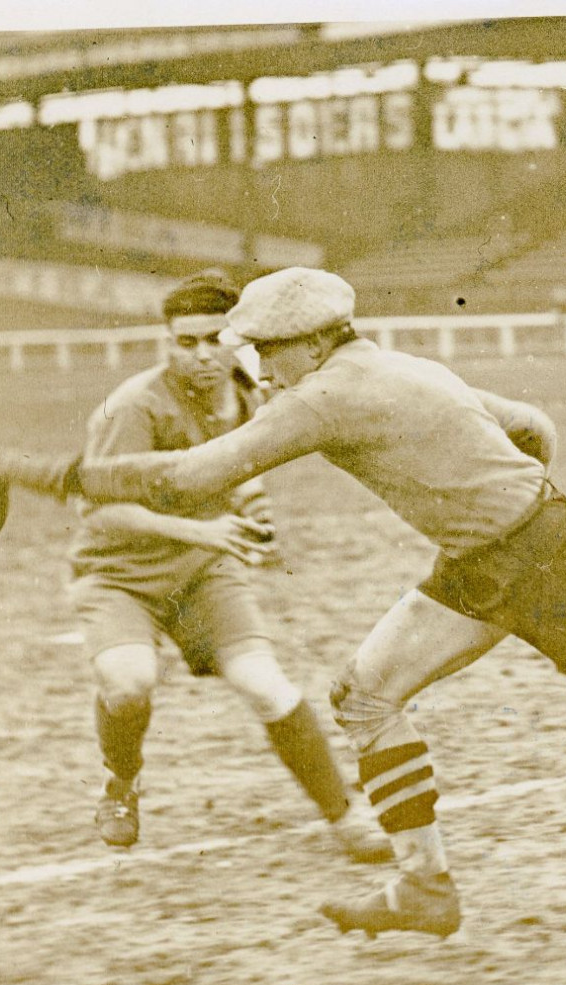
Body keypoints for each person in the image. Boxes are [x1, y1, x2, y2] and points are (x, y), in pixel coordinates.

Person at [0, 267, 566, 937]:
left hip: (538, 565)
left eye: (267, 351)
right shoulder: (401, 365)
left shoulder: (321, 396)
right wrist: (500, 507)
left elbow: (191, 478)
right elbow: (531, 426)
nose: (258, 370)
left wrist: (33, 468)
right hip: (494, 557)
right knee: (364, 697)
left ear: (310, 341)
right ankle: (425, 888)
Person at [67, 270, 390, 863]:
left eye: (214, 339)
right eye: (184, 342)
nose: (201, 355)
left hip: (203, 569)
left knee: (266, 685)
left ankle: (349, 819)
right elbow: (100, 513)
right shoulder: (135, 407)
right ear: (167, 344)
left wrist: (255, 510)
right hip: (119, 574)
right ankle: (121, 782)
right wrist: (202, 530)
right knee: (129, 683)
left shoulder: (246, 392)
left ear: (237, 339)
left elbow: (241, 467)